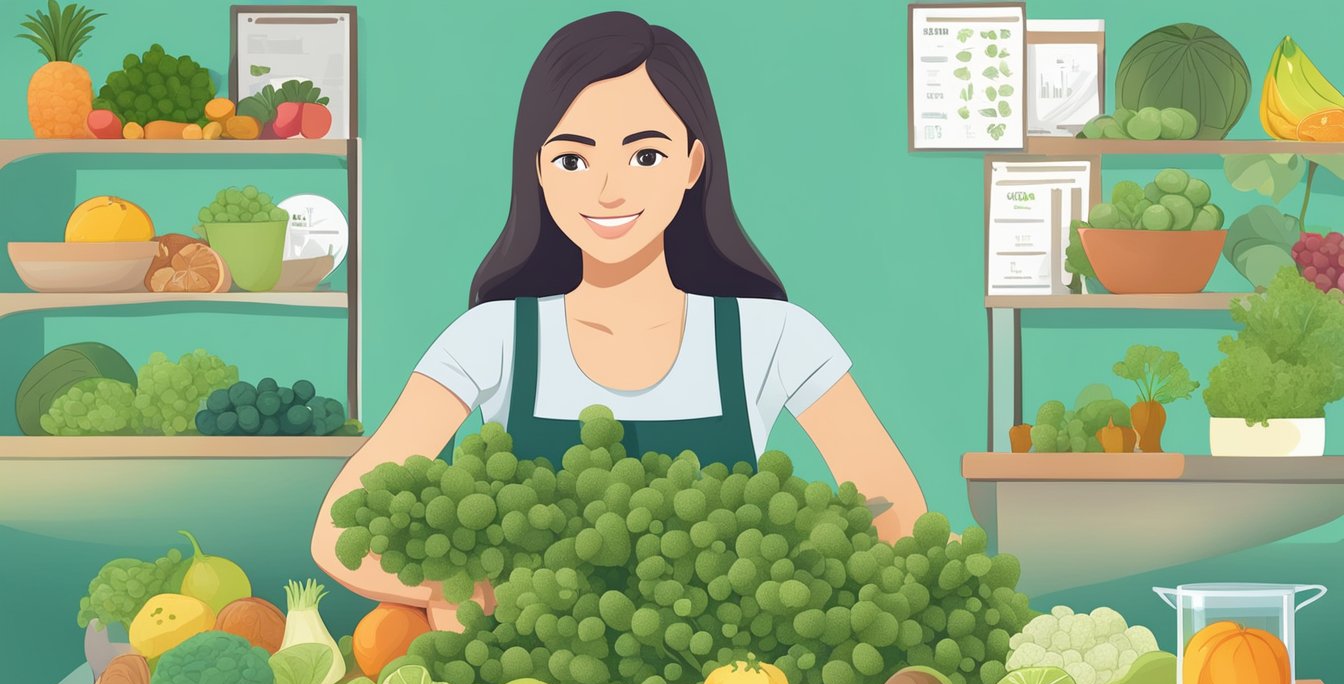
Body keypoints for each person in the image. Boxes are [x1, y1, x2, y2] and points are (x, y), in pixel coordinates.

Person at [311, 11, 925, 630]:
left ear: (693, 164)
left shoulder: (776, 337)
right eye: (575, 160)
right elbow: (342, 526)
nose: (607, 190)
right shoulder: (489, 339)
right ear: (539, 170)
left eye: (646, 156)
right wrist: (474, 591)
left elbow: (899, 517)